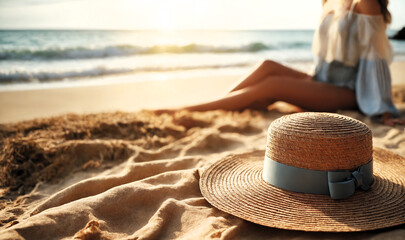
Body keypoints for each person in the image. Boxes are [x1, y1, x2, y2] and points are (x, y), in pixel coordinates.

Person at [160, 0, 404, 126]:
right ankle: (220, 108)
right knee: (267, 65)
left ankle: (190, 110)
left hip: (349, 92)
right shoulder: (330, 0)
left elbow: (375, 60)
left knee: (272, 85)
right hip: (321, 80)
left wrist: (383, 108)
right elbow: (326, 53)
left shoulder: (366, 3)